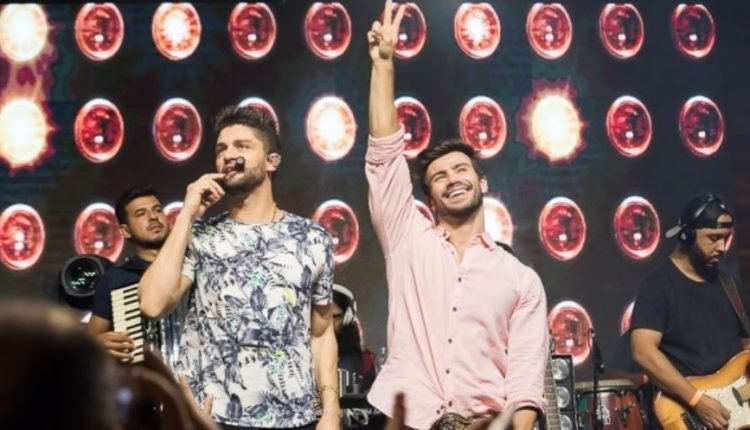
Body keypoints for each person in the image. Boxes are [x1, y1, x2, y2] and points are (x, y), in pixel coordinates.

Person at [364, 2, 549, 429]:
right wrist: (383, 65)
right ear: (429, 200)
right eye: (439, 177)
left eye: (461, 170)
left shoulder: (521, 280)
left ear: (482, 182)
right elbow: (384, 156)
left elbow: (525, 386)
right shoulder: (408, 238)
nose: (452, 179)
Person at [138, 105, 339, 430]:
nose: (228, 155)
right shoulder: (200, 236)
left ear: (272, 161)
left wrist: (331, 409)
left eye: (242, 146)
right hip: (215, 417)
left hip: (296, 417)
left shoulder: (312, 238)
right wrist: (187, 214)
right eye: (221, 149)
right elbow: (152, 303)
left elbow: (321, 332)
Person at [631, 193, 749, 430]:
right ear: (687, 235)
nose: (722, 247)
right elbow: (642, 351)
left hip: (734, 413)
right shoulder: (658, 286)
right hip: (687, 413)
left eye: (726, 239)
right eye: (714, 238)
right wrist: (696, 401)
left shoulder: (730, 286)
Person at [88, 185, 171, 362]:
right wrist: (99, 344)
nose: (153, 217)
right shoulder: (115, 279)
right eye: (141, 214)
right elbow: (90, 341)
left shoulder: (191, 263)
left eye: (157, 210)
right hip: (147, 375)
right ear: (125, 231)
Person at [333, 284, 377, 391]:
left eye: (336, 317)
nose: (329, 323)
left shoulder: (364, 361)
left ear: (347, 317)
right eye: (323, 317)